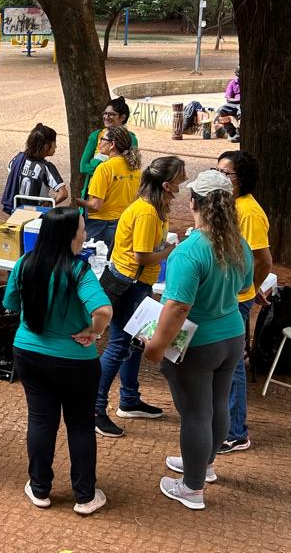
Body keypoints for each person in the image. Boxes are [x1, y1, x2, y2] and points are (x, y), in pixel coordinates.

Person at [145, 169, 252, 511]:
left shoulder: (189, 251)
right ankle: (202, 465)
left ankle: (192, 487)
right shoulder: (238, 243)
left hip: (198, 342)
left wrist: (156, 346)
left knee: (194, 413)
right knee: (217, 405)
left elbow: (177, 307)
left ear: (194, 203)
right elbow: (243, 284)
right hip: (231, 334)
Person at [3, 207, 114, 515]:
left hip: (29, 353)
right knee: (80, 425)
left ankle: (40, 488)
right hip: (75, 361)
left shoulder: (24, 263)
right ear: (68, 236)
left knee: (41, 420)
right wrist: (94, 332)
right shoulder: (79, 270)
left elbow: (11, 303)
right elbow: (103, 310)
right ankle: (85, 495)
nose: (85, 235)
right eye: (82, 230)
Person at [93, 156, 183, 438]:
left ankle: (129, 400)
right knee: (119, 346)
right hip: (130, 285)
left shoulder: (153, 209)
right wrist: (170, 251)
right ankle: (95, 408)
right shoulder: (146, 212)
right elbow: (141, 256)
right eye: (178, 182)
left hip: (136, 283)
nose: (180, 188)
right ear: (166, 185)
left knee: (131, 343)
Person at [214, 150, 273, 455]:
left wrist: (250, 287)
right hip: (226, 297)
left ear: (242, 180)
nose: (219, 177)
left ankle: (235, 433)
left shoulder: (248, 213)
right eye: (217, 171)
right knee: (224, 362)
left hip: (235, 301)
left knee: (232, 364)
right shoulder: (229, 205)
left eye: (226, 173)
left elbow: (262, 260)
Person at [78, 126, 140, 251]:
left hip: (99, 226)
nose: (99, 143)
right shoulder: (135, 169)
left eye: (102, 139)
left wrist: (79, 202)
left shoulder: (104, 168)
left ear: (112, 144)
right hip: (123, 224)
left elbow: (96, 205)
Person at [2, 124, 69, 211]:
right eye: (54, 143)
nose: (56, 146)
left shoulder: (17, 160)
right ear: (46, 146)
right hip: (37, 212)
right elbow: (63, 194)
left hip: (17, 210)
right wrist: (50, 203)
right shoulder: (46, 167)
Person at [216, 68, 241, 142]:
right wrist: (238, 100)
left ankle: (239, 133)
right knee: (221, 110)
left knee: (242, 110)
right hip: (233, 104)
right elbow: (228, 99)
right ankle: (230, 132)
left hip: (243, 104)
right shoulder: (232, 83)